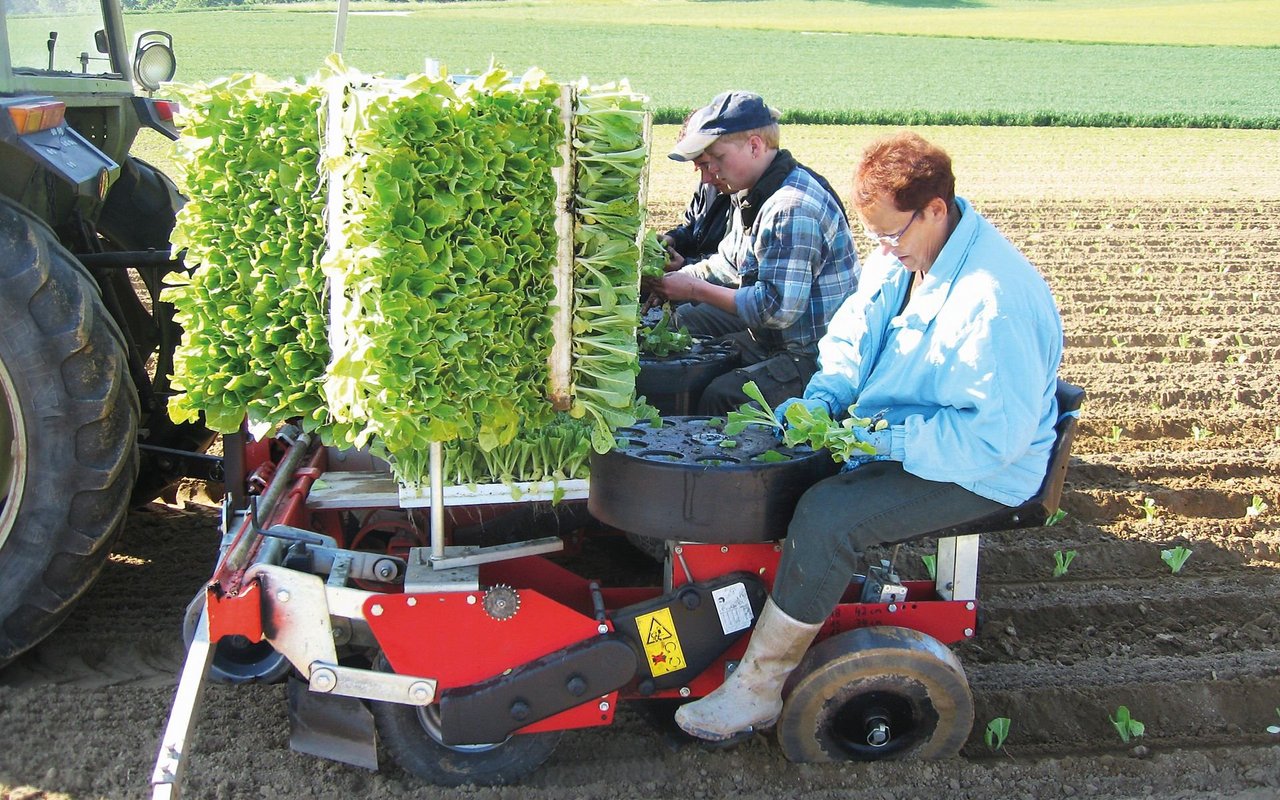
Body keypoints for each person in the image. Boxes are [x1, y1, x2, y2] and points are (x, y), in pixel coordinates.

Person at [674, 131, 1064, 742]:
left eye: (892, 233)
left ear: (935, 209)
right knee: (778, 465)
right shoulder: (902, 255)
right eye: (875, 234)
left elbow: (996, 437)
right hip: (906, 432)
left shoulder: (994, 302)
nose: (882, 247)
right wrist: (826, 396)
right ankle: (761, 604)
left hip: (980, 467)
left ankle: (758, 686)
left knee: (830, 515)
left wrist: (885, 441)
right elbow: (853, 337)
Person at [652, 91, 859, 415]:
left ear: (754, 145)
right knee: (681, 324)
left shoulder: (790, 207)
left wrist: (693, 289)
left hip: (811, 354)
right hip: (772, 336)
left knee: (723, 395)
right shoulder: (751, 194)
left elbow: (776, 309)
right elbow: (730, 264)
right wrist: (675, 279)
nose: (706, 176)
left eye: (713, 161)